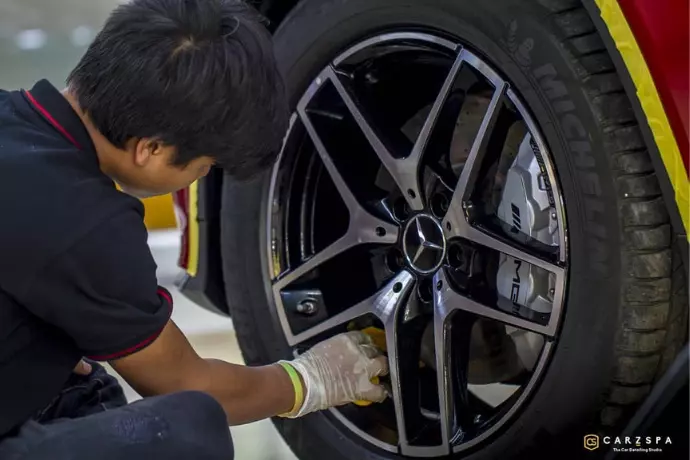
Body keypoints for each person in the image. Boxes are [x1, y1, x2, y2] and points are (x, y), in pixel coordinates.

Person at [0, 1, 390, 459]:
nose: (202, 178)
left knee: (79, 382)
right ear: (150, 148)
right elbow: (188, 382)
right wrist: (310, 380)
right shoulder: (89, 225)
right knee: (189, 430)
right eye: (205, 166)